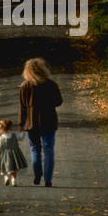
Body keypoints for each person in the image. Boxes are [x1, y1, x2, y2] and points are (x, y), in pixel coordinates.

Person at [18, 58, 63, 187]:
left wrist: (21, 123)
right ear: (44, 69)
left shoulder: (24, 86)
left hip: (31, 123)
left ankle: (38, 174)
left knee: (35, 149)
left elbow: (22, 106)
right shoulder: (51, 84)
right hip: (49, 121)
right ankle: (48, 180)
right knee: (49, 150)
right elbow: (58, 102)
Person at [0, 119, 28, 186]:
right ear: (10, 127)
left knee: (4, 168)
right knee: (14, 168)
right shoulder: (14, 135)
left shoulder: (0, 138)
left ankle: (6, 177)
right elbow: (21, 138)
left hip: (4, 154)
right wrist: (22, 132)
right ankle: (14, 180)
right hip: (14, 154)